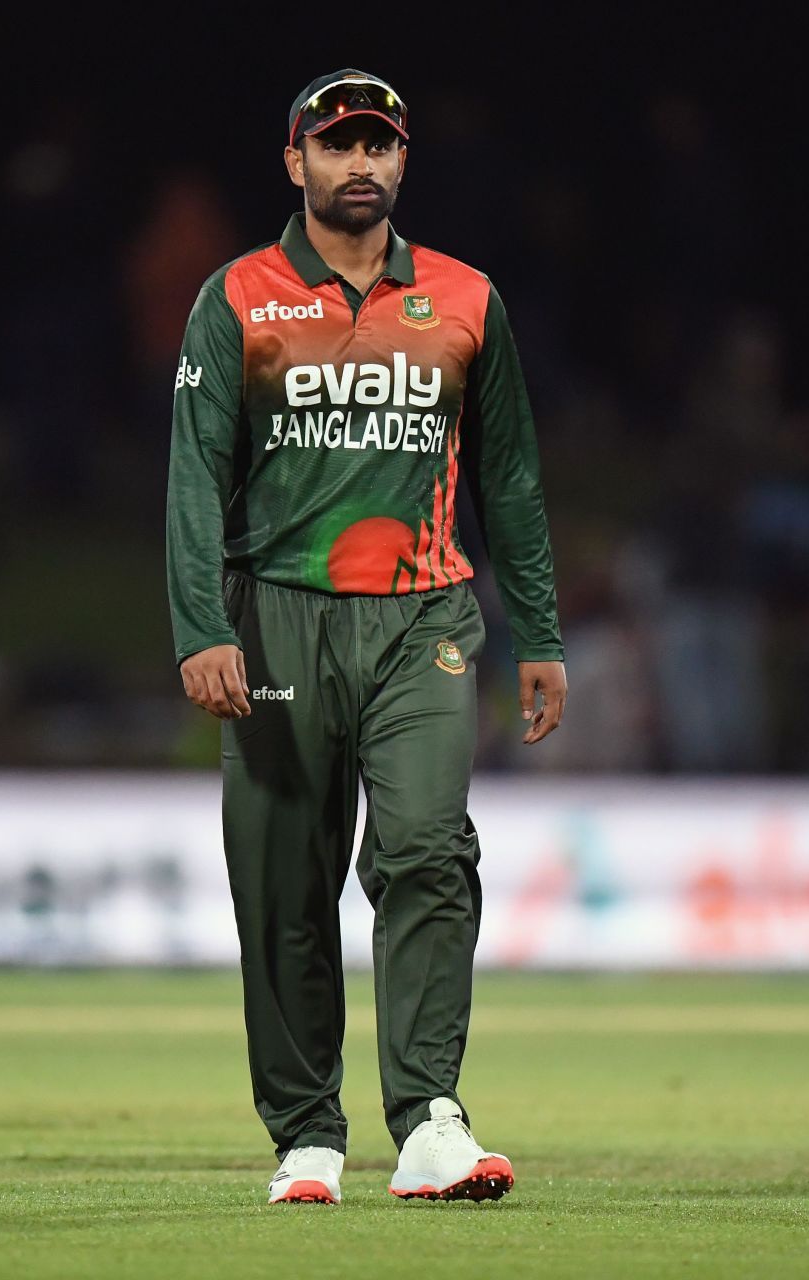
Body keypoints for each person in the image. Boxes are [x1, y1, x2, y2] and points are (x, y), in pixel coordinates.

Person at [166, 70, 567, 1205]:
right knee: (284, 881)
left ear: (403, 162)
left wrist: (537, 627)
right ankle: (306, 1131)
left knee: (431, 850)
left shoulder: (466, 298)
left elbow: (512, 479)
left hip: (424, 616)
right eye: (336, 145)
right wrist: (203, 623)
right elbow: (196, 474)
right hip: (278, 611)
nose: (360, 163)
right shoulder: (236, 297)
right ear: (295, 163)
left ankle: (431, 1116)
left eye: (378, 145)